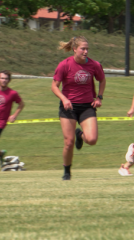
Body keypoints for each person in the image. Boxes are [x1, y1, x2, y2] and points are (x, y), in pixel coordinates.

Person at [52, 36, 105, 180]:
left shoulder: (94, 65)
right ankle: (67, 171)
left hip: (87, 106)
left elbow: (102, 80)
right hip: (68, 107)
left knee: (92, 139)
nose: (86, 51)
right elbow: (54, 86)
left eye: (87, 49)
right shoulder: (64, 65)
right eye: (83, 48)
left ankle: (79, 134)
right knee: (68, 143)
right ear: (74, 49)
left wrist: (99, 97)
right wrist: (64, 98)